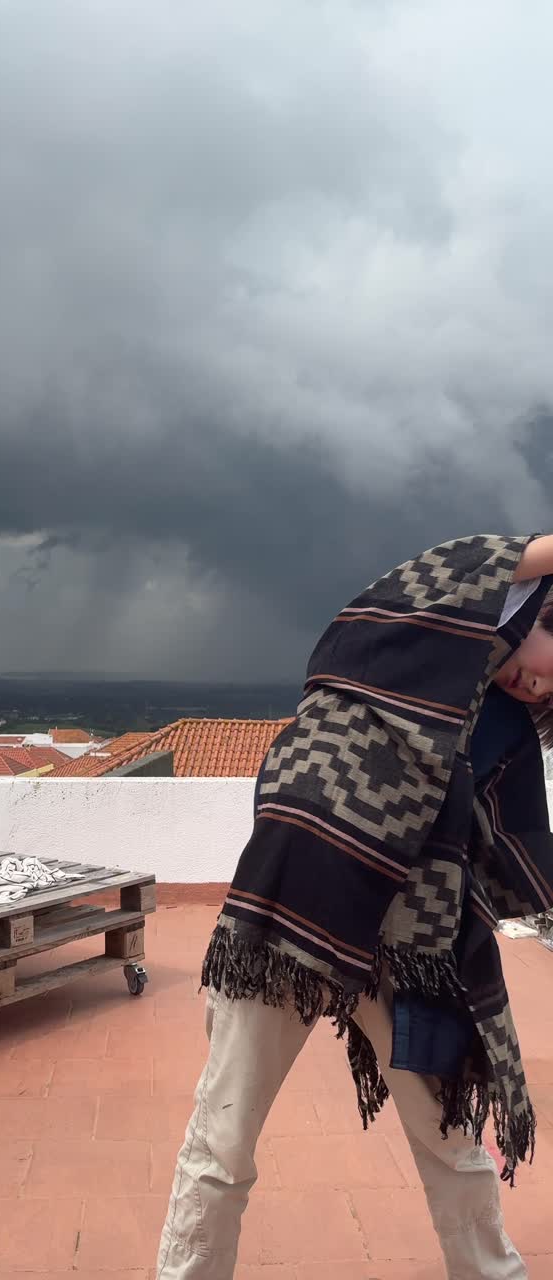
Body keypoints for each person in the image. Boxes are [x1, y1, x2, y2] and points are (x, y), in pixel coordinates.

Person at [157, 533, 553, 1280]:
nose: (538, 694)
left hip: (410, 941)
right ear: (530, 616)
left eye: (546, 700)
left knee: (453, 1142)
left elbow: (502, 850)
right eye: (544, 676)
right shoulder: (407, 630)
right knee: (223, 1141)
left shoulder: (504, 733)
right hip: (292, 915)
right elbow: (492, 564)